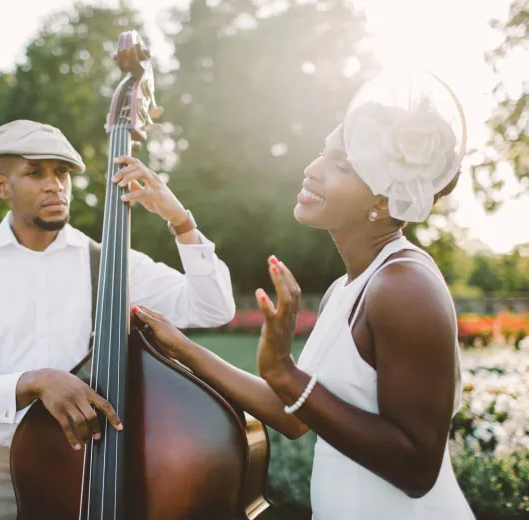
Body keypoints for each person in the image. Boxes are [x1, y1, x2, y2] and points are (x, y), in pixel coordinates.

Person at [133, 71, 477, 519]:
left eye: (341, 165)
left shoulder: (404, 287)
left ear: (383, 196)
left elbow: (416, 468)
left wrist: (286, 373)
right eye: (322, 153)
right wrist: (178, 346)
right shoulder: (348, 287)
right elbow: (293, 414)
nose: (312, 169)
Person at [0, 119, 236, 520]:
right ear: (2, 186)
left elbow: (213, 308)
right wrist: (33, 381)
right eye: (35, 173)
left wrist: (181, 221)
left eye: (62, 173)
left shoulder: (112, 261)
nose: (54, 184)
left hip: (88, 467)